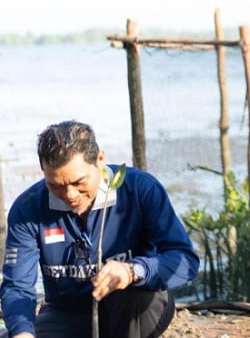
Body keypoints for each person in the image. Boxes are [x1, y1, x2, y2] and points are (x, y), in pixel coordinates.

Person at [0, 120, 200, 338]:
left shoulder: (141, 189)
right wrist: (22, 332)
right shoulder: (27, 208)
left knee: (138, 297)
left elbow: (185, 260)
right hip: (67, 314)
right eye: (55, 185)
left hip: (133, 306)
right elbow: (17, 287)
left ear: (100, 160)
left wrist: (133, 271)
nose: (70, 196)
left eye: (78, 182)